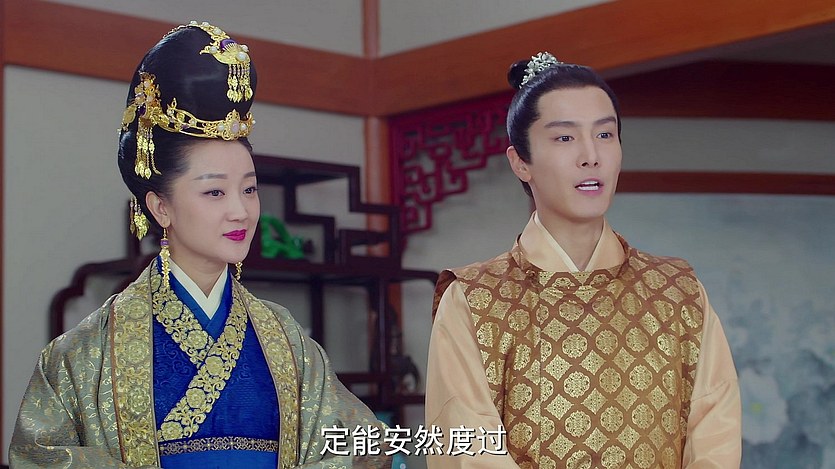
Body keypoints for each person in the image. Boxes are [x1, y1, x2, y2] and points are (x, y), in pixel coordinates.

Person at [10, 21, 389, 468]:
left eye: (249, 189)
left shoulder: (286, 339)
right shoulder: (85, 353)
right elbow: (40, 456)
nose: (240, 211)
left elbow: (366, 446)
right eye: (214, 192)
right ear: (160, 207)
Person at [425, 52, 741, 468]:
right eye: (564, 138)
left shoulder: (678, 292)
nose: (591, 155)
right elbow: (467, 447)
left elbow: (715, 437)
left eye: (605, 134)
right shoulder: (475, 299)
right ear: (520, 162)